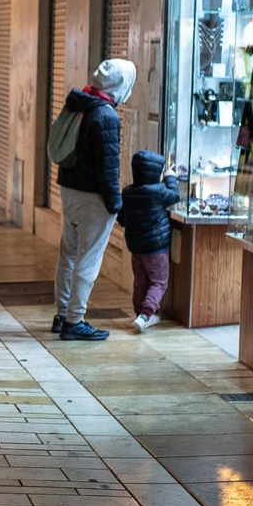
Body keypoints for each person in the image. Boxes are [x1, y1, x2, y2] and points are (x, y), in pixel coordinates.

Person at [55, 58, 136, 342]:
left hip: (69, 190)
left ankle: (62, 314)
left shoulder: (80, 102)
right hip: (93, 198)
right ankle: (75, 321)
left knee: (68, 253)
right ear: (121, 86)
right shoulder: (106, 116)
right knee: (88, 258)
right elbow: (108, 168)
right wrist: (117, 205)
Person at [118, 150, 181, 332]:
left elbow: (122, 217)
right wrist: (170, 177)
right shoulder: (159, 191)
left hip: (136, 246)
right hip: (156, 248)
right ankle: (146, 315)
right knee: (158, 282)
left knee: (140, 280)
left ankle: (139, 313)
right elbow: (174, 195)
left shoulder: (128, 192)